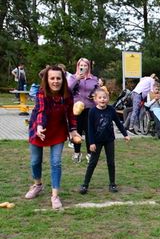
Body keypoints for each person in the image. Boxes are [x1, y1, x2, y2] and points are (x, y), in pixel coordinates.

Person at [25, 65, 78, 209]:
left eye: (58, 78)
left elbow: (71, 114)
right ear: (47, 80)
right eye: (52, 78)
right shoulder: (42, 93)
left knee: (56, 163)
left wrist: (73, 130)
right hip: (39, 128)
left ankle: (55, 195)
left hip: (58, 130)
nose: (55, 81)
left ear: (63, 79)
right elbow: (41, 111)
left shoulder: (67, 94)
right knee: (35, 161)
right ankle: (37, 185)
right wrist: (40, 126)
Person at [79, 88, 131, 194]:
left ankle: (112, 184)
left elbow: (118, 122)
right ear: (95, 99)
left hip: (109, 140)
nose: (102, 99)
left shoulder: (111, 110)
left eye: (105, 97)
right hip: (97, 141)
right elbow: (90, 129)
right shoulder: (92, 111)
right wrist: (92, 143)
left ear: (107, 99)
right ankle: (85, 184)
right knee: (93, 162)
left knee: (111, 162)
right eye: (100, 97)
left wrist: (125, 134)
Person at [68, 58, 98, 163]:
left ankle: (90, 153)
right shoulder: (72, 77)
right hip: (77, 108)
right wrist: (77, 79)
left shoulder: (94, 79)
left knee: (90, 131)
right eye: (81, 65)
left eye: (86, 65)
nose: (83, 67)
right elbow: (68, 90)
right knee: (77, 131)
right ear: (78, 66)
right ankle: (77, 153)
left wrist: (95, 94)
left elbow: (97, 91)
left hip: (90, 108)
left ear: (88, 67)